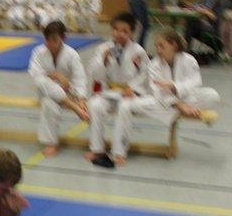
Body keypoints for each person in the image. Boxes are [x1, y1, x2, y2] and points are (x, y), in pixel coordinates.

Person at [94, 29, 219, 168]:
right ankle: (118, 153)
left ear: (174, 45)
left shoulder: (189, 60)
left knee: (212, 95)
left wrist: (174, 86)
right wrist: (179, 105)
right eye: (157, 46)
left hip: (185, 98)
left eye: (162, 46)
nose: (158, 50)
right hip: (161, 101)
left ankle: (180, 108)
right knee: (125, 105)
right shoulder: (154, 64)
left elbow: (195, 81)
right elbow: (157, 92)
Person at [85, 13, 150, 168]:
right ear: (111, 30)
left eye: (124, 31)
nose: (119, 33)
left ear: (131, 33)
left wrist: (132, 88)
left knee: (124, 108)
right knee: (94, 105)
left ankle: (119, 152)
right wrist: (104, 60)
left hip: (129, 93)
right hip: (109, 91)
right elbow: (95, 74)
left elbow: (146, 74)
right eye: (116, 29)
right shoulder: (103, 48)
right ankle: (97, 149)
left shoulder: (138, 51)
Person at [30, 21, 90, 157]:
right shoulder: (38, 52)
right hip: (48, 92)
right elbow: (36, 76)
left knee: (48, 100)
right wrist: (57, 76)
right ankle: (51, 143)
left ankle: (52, 142)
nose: (50, 43)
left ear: (63, 38)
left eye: (54, 39)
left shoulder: (72, 54)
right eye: (47, 39)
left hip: (70, 93)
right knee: (45, 90)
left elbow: (80, 78)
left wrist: (81, 99)